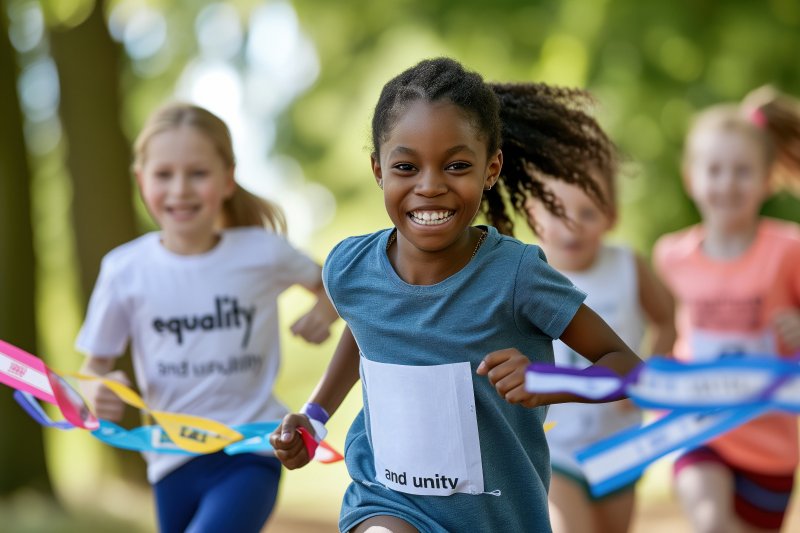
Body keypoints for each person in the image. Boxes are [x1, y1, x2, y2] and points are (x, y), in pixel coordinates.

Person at [269, 57, 643, 533]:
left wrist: (550, 381)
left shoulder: (517, 275)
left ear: (491, 169)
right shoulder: (350, 267)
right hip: (386, 503)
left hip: (500, 518)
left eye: (457, 165)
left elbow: (627, 366)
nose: (430, 186)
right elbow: (364, 333)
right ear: (378, 169)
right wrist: (314, 417)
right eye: (406, 166)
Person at [75, 103, 339, 533]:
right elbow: (92, 368)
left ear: (227, 177)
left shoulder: (261, 252)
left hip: (250, 452)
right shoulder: (124, 270)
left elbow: (336, 286)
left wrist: (324, 312)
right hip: (168, 461)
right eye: (164, 175)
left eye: (197, 173)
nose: (180, 189)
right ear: (142, 180)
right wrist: (97, 390)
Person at [489, 82, 677, 533]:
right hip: (556, 443)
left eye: (588, 213)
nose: (573, 227)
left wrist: (650, 375)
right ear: (533, 211)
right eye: (559, 212)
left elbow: (668, 318)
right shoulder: (524, 269)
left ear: (610, 214)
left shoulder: (629, 264)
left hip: (621, 440)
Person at [653, 86, 800, 533]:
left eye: (741, 171)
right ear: (691, 177)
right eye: (714, 170)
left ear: (766, 179)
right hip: (697, 427)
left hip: (772, 441)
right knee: (711, 523)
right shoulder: (670, 256)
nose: (727, 183)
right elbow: (660, 331)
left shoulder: (788, 250)